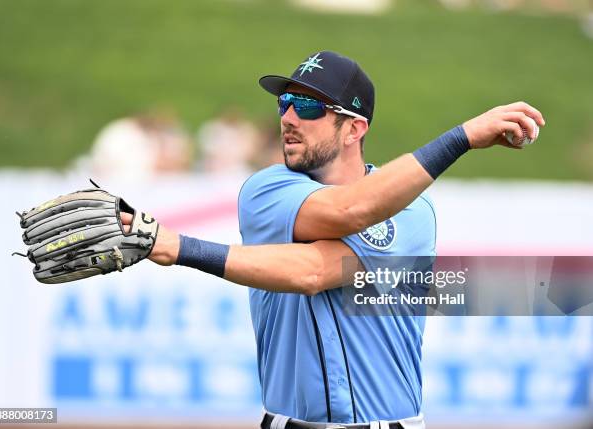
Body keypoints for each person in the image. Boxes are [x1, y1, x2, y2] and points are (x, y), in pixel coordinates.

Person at [122, 51, 544, 428]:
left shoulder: (413, 210)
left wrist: (178, 247)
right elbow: (344, 215)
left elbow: (317, 268)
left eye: (307, 106)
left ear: (353, 129)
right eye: (284, 102)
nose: (287, 118)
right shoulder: (265, 190)